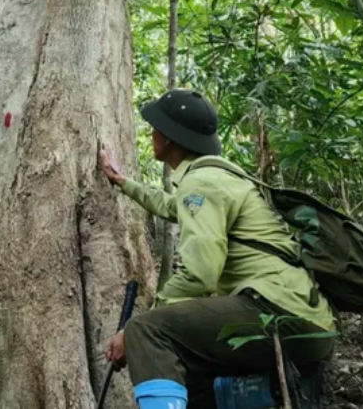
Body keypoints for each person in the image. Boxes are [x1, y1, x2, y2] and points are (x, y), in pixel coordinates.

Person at [98, 90, 335, 409]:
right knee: (190, 369)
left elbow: (201, 274)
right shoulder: (218, 176)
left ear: (168, 137)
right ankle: (269, 393)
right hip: (310, 322)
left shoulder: (201, 183)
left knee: (147, 331)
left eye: (155, 127)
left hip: (278, 312)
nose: (151, 132)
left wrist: (140, 325)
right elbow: (173, 206)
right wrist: (123, 181)